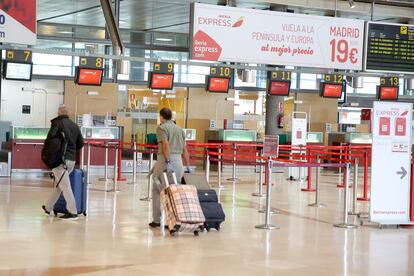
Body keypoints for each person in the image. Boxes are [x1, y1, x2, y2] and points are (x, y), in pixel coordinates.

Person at [149, 108, 191, 228]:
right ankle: (172, 221)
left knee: (157, 190)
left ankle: (157, 220)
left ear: (161, 116)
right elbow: (185, 150)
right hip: (178, 162)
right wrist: (188, 165)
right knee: (174, 192)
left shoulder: (161, 128)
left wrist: (167, 162)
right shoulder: (180, 130)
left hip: (165, 160)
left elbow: (165, 145)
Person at [42, 105, 84, 220]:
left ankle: (73, 211)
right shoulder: (75, 125)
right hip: (71, 160)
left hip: (59, 160)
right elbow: (80, 143)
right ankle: (48, 207)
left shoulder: (57, 124)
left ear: (58, 113)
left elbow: (50, 140)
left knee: (65, 186)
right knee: (59, 185)